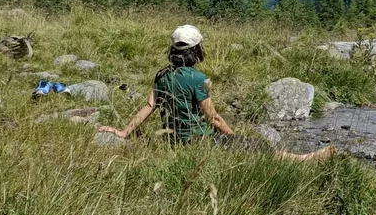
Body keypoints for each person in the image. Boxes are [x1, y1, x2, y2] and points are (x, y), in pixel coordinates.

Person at [97, 25, 335, 162]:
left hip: (173, 141)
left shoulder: (161, 76)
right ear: (196, 50)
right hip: (199, 142)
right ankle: (304, 160)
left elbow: (148, 107)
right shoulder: (198, 80)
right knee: (258, 149)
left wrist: (123, 132)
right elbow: (213, 119)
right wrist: (232, 137)